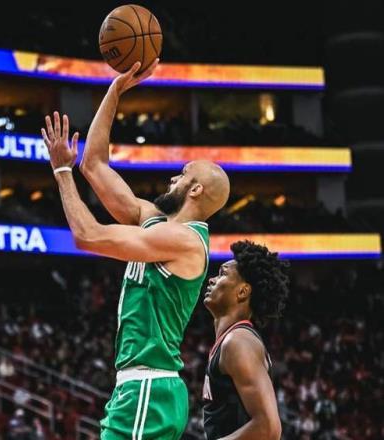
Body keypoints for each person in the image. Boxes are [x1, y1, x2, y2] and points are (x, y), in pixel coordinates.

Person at [41, 60, 230, 440]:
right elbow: (94, 165)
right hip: (141, 388)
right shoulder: (154, 220)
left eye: (183, 174)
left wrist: (61, 173)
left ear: (195, 190)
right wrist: (115, 91)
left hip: (149, 388)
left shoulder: (184, 241)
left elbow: (88, 235)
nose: (173, 177)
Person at [202, 241, 289, 440]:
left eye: (222, 274)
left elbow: (268, 428)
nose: (212, 280)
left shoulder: (238, 342)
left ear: (242, 291)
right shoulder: (232, 341)